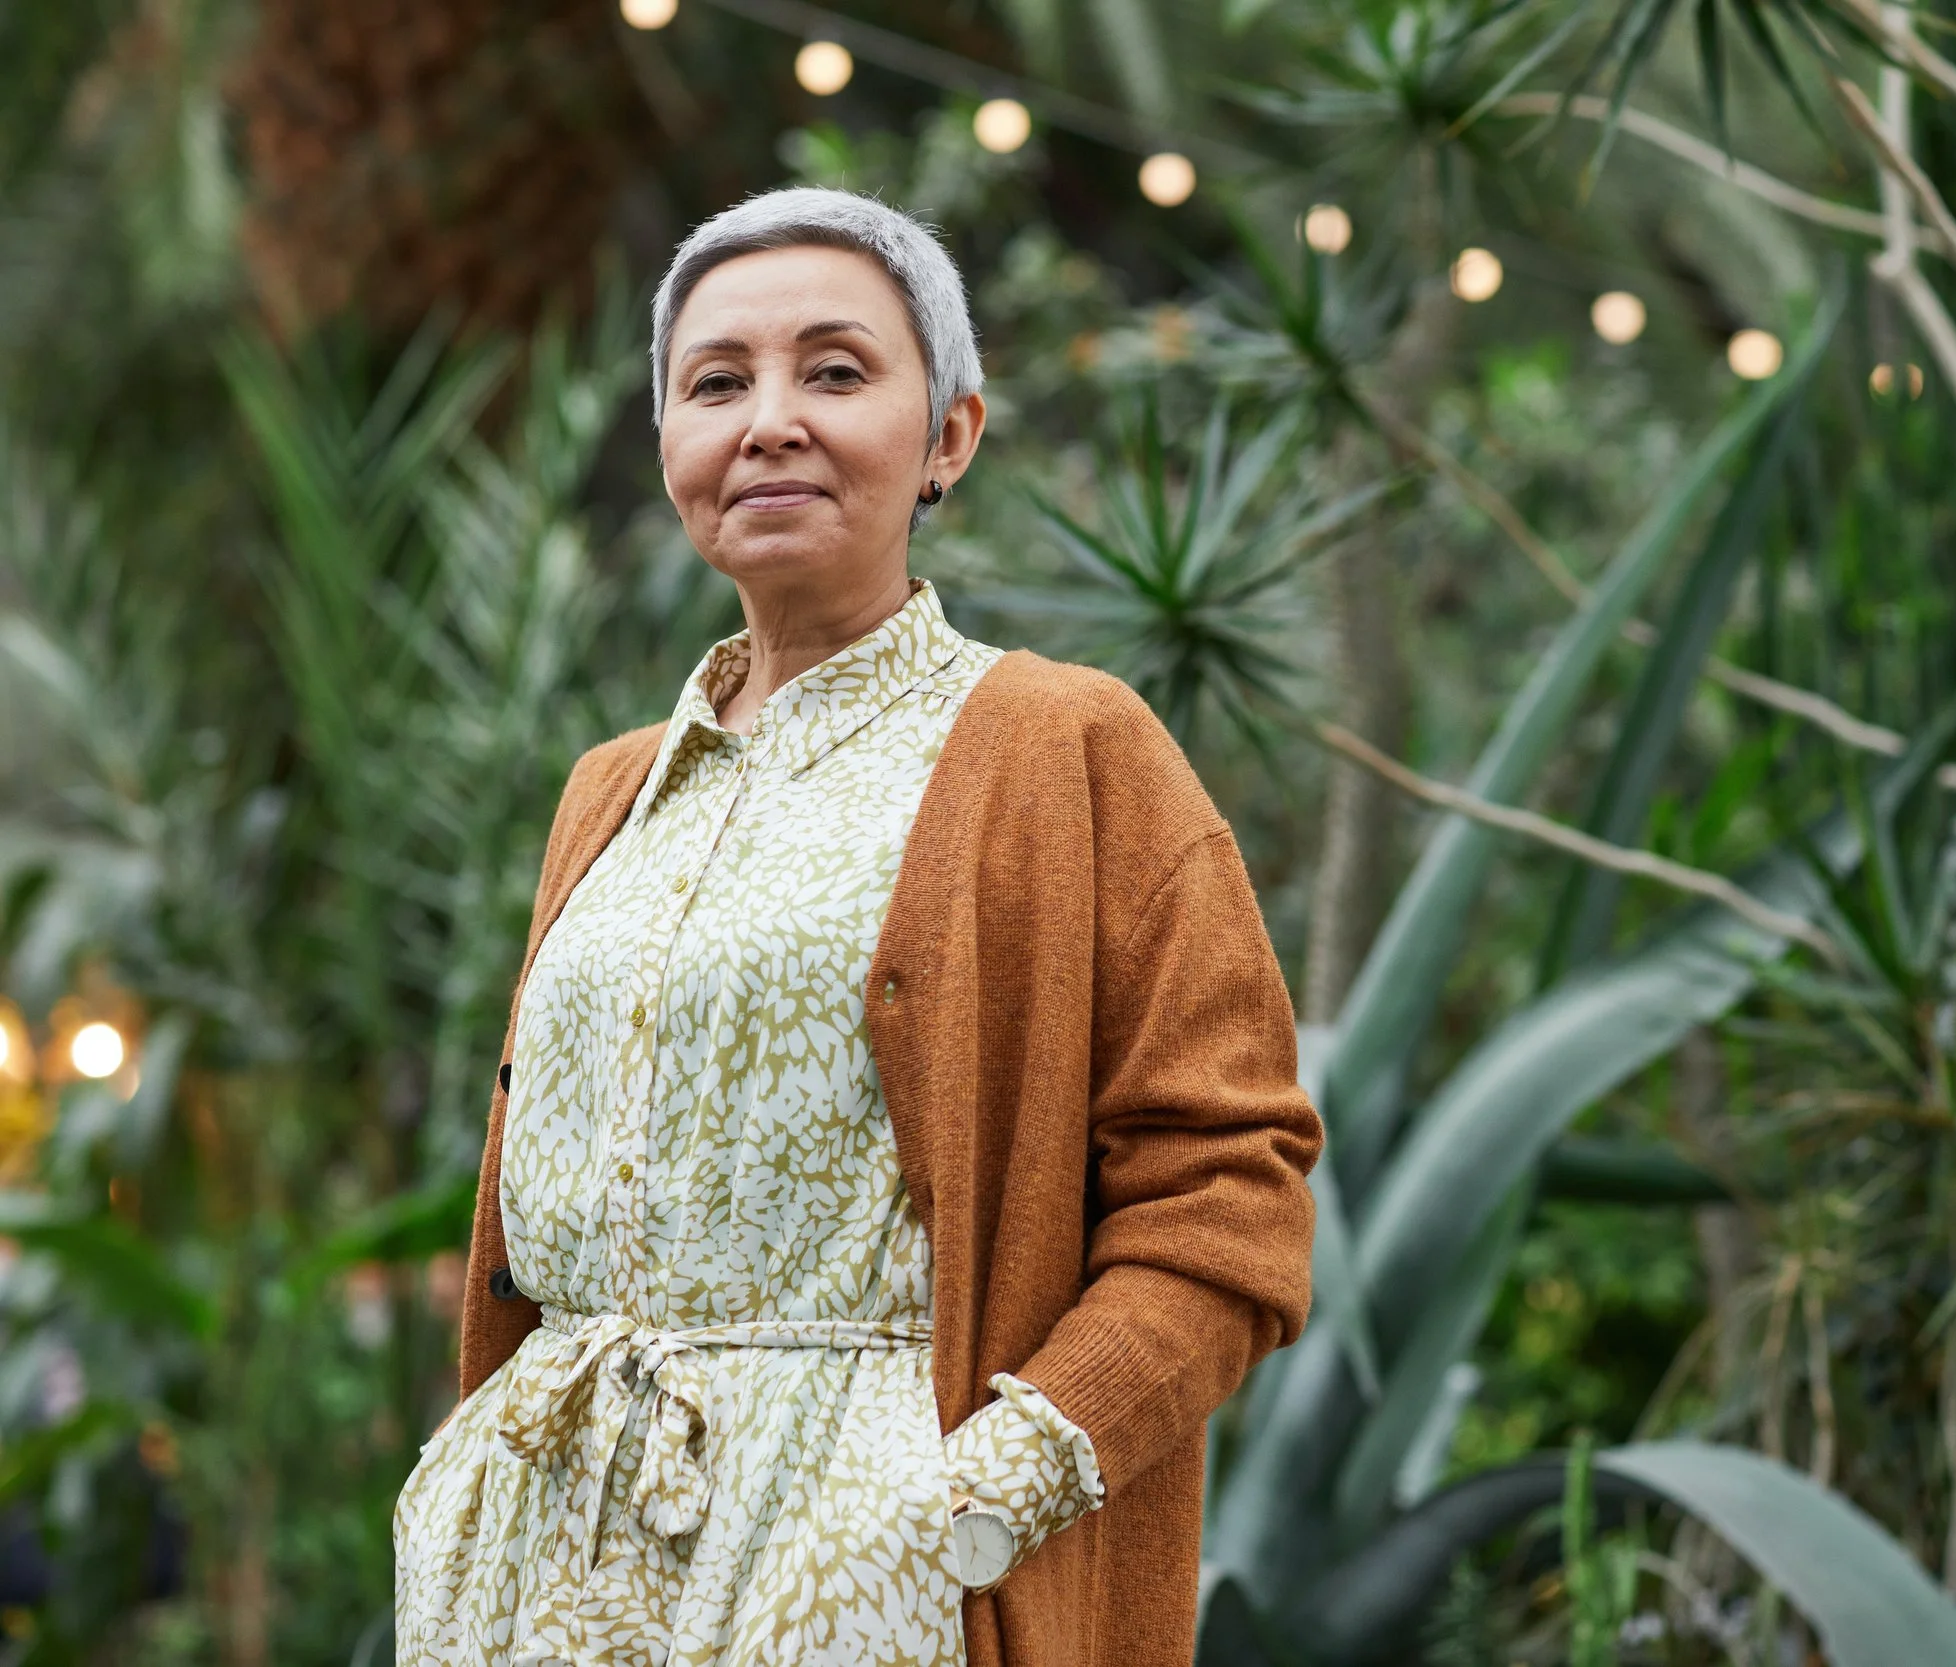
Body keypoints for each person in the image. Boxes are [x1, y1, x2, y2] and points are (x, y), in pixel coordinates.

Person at [393, 187, 1321, 1667]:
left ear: (950, 433)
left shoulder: (1064, 746)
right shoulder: (610, 793)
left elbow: (1230, 1196)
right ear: (668, 446)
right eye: (716, 383)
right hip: (530, 1591)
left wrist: (980, 1499)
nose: (769, 421)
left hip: (866, 1592)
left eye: (835, 371)